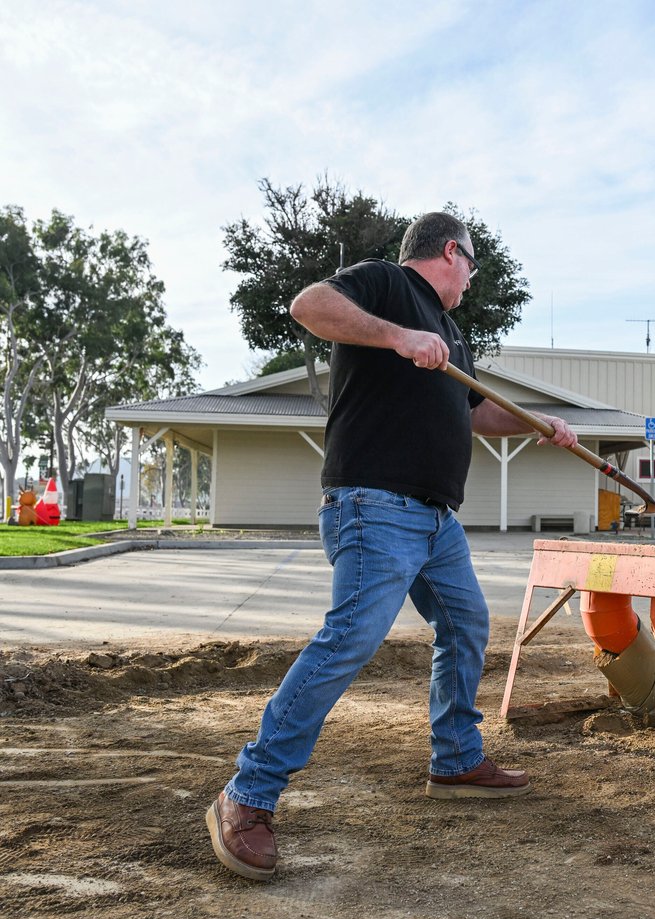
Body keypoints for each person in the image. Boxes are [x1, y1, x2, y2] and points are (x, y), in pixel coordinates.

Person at [206, 212, 578, 882]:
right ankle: (247, 793)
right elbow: (308, 305)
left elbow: (469, 411)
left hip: (437, 520)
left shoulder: (452, 332)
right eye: (471, 263)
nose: (471, 276)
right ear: (448, 251)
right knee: (350, 638)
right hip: (373, 504)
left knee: (466, 622)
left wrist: (536, 423)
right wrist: (397, 335)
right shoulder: (386, 285)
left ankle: (456, 757)